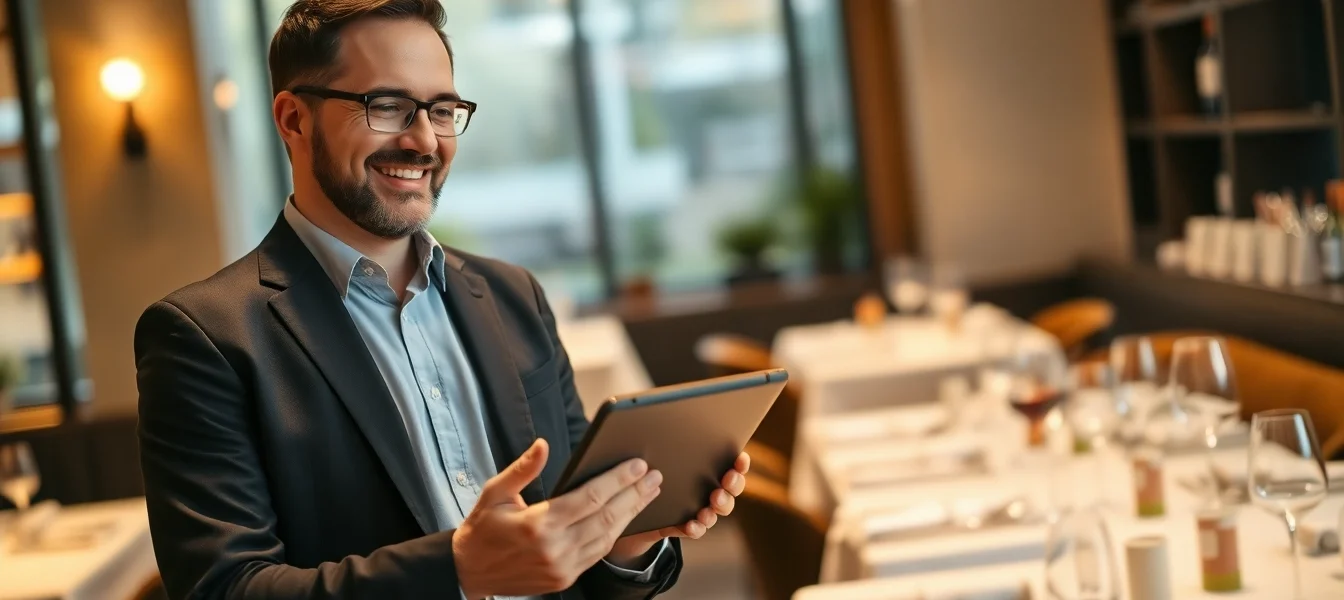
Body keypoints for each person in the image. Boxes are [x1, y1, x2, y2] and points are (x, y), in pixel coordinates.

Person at [133, 1, 749, 598]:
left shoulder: (514, 297)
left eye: (443, 109)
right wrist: (457, 571)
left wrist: (622, 538)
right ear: (294, 119)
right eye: (388, 106)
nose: (425, 140)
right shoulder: (205, 337)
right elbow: (225, 587)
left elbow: (578, 551)